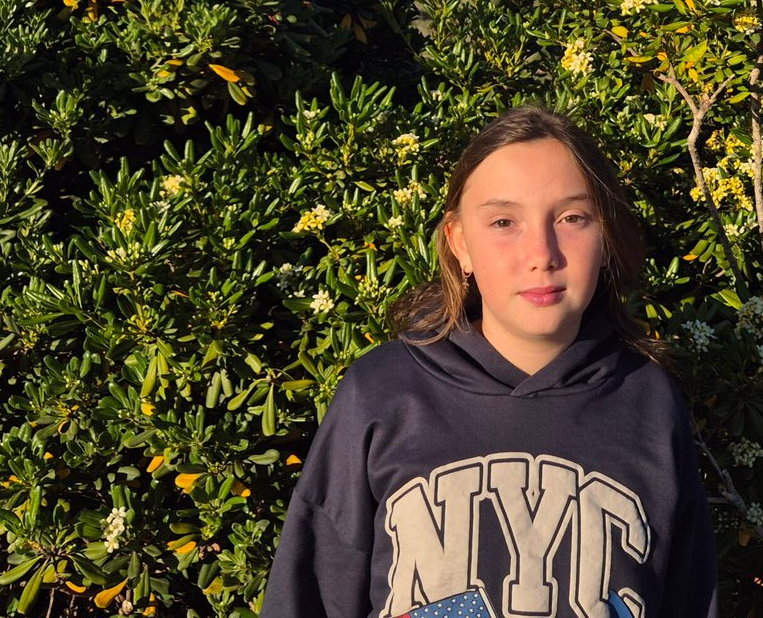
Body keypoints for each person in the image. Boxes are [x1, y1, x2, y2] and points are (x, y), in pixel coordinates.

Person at [261, 105, 719, 618]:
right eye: (504, 221)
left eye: (572, 217)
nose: (541, 253)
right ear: (460, 243)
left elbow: (689, 597)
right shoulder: (381, 393)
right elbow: (309, 596)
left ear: (605, 235)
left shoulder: (649, 402)